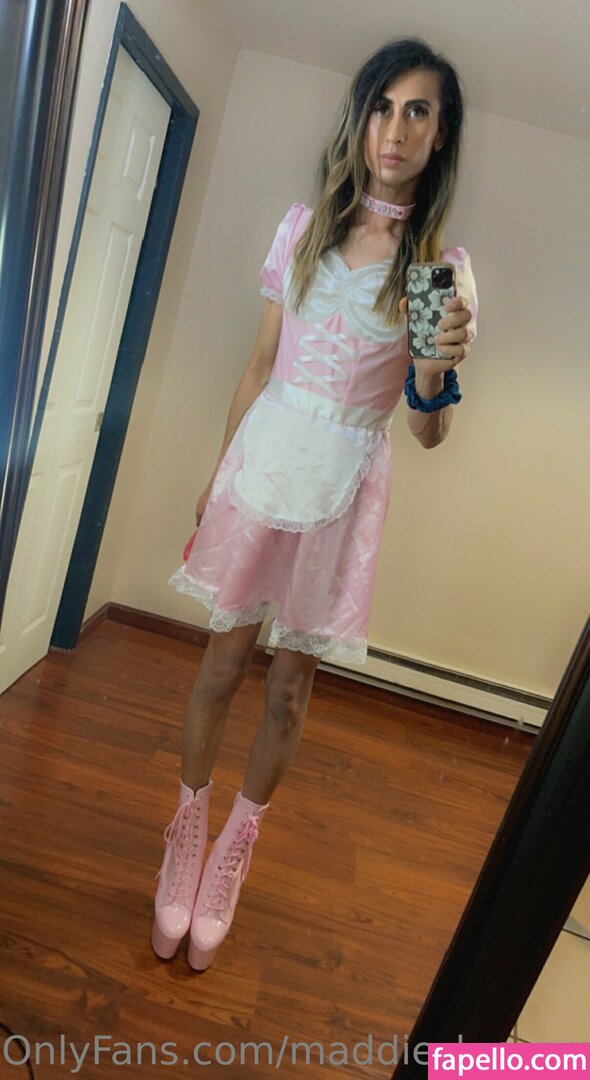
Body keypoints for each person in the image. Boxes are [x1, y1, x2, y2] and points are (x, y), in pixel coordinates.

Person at [152, 36, 478, 971]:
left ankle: (234, 849)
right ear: (361, 119)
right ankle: (186, 831)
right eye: (382, 106)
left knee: (289, 688)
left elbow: (427, 432)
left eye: (418, 111)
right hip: (263, 467)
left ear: (440, 134)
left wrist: (434, 375)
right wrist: (218, 478)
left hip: (343, 491)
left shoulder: (438, 272)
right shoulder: (302, 231)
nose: (395, 128)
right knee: (221, 664)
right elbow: (259, 367)